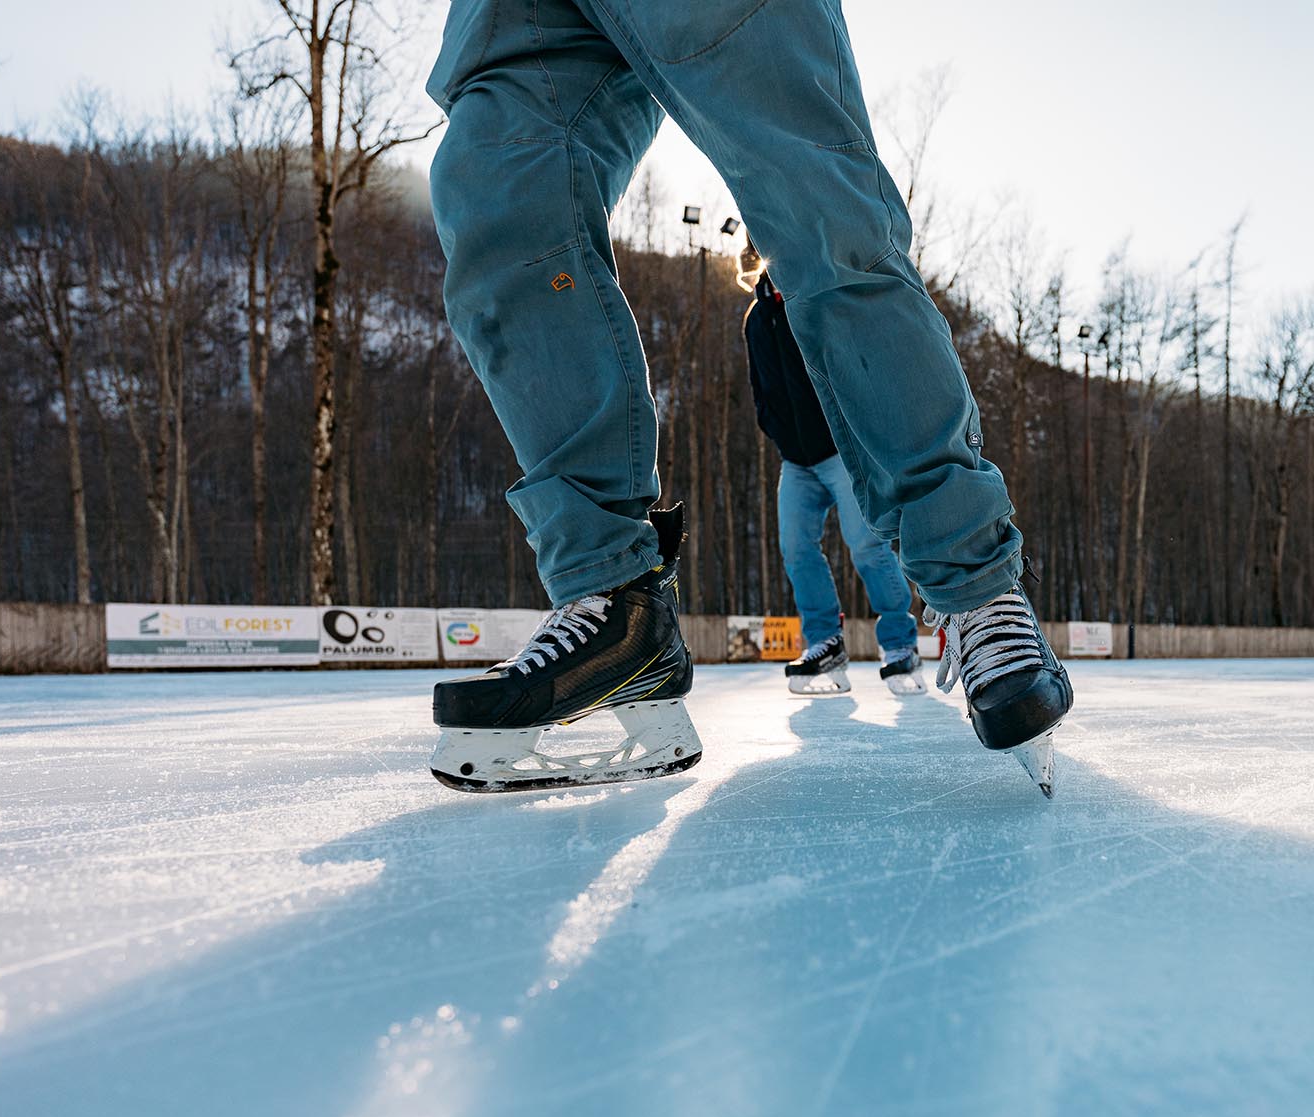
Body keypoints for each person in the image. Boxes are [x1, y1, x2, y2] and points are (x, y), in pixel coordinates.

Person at [421, 0, 1072, 797]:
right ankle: (612, 602)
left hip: (832, 454)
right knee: (493, 194)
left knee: (816, 203)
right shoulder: (752, 322)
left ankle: (973, 580)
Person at [739, 242, 924, 698]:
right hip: (795, 460)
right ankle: (825, 644)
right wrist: (776, 429)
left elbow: (852, 370)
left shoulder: (818, 299)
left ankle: (900, 646)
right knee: (796, 548)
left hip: (841, 452)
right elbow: (759, 388)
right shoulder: (756, 320)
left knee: (867, 546)